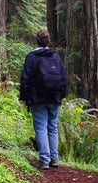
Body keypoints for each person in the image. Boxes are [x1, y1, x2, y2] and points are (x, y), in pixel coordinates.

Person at [19, 29, 68, 170]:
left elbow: (25, 78)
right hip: (54, 97)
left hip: (37, 97)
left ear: (36, 40)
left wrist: (24, 97)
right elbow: (63, 78)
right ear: (49, 41)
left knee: (40, 127)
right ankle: (54, 159)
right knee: (52, 127)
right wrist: (62, 97)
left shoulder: (32, 57)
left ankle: (44, 160)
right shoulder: (56, 57)